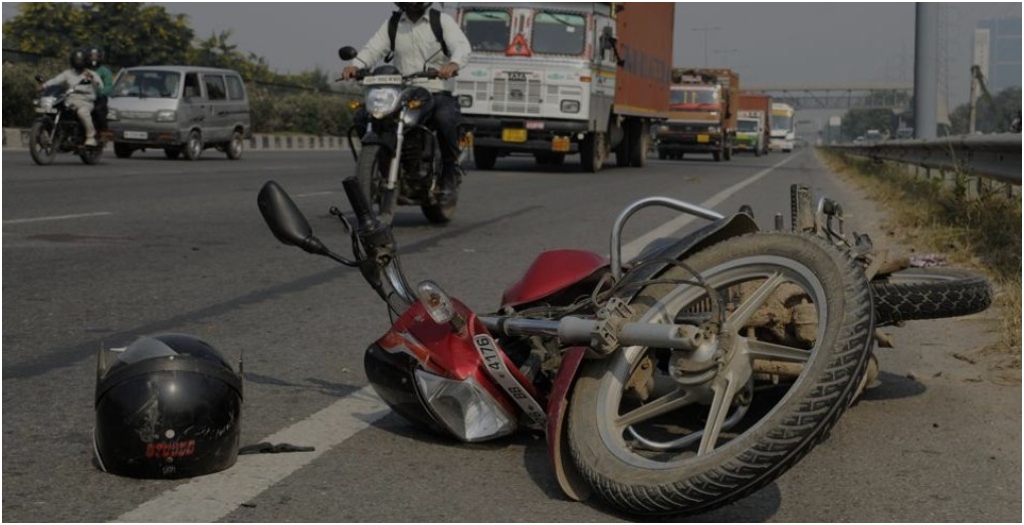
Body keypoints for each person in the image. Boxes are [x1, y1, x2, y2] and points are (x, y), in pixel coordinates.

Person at [342, 2, 471, 201]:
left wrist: (453, 63)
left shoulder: (441, 21)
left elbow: (461, 46)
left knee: (444, 118)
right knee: (363, 116)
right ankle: (380, 164)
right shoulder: (392, 24)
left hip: (435, 90)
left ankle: (449, 170)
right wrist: (356, 66)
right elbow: (372, 49)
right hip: (401, 91)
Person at [40, 49, 103, 146]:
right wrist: (44, 86)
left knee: (82, 112)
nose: (78, 62)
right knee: (56, 109)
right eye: (76, 60)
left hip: (86, 101)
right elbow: (56, 80)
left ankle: (90, 136)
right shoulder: (68, 73)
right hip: (70, 99)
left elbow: (100, 87)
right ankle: (58, 133)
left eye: (80, 60)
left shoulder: (91, 74)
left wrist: (92, 78)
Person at [86, 45, 113, 131]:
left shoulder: (105, 71)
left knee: (99, 111)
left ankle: (103, 131)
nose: (94, 59)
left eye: (96, 56)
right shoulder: (83, 69)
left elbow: (108, 86)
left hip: (98, 98)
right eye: (91, 56)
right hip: (84, 97)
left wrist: (100, 93)